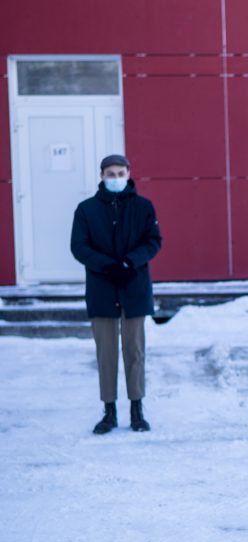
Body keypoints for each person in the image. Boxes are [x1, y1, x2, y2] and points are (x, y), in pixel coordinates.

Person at [70, 154, 162, 434]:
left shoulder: (143, 207)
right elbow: (79, 246)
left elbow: (153, 241)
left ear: (129, 173)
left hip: (134, 288)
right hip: (102, 289)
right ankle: (109, 411)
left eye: (120, 173)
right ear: (101, 176)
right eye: (110, 173)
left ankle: (137, 409)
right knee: (106, 353)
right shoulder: (86, 209)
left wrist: (128, 261)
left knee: (134, 351)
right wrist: (108, 265)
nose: (115, 178)